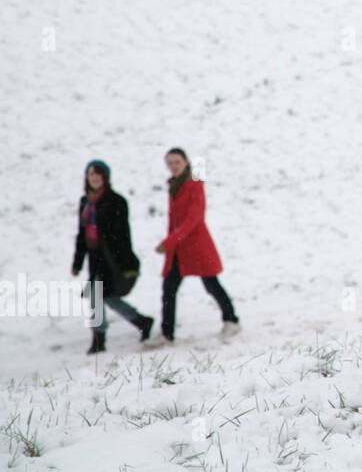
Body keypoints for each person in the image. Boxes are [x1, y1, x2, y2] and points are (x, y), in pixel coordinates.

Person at [142, 148, 240, 347]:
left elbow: (194, 218)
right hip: (179, 249)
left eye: (177, 162)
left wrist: (169, 241)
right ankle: (167, 334)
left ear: (186, 162)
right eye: (170, 163)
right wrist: (171, 244)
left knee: (211, 284)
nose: (174, 166)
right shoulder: (173, 186)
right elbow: (174, 220)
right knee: (169, 288)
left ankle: (232, 321)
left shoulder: (194, 185)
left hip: (197, 246)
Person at [72, 160, 150, 354]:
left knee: (100, 296)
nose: (95, 178)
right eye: (91, 174)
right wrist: (77, 262)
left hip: (112, 257)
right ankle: (139, 321)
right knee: (101, 296)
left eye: (98, 174)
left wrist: (127, 263)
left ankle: (101, 338)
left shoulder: (117, 201)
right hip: (94, 257)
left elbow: (124, 235)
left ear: (105, 178)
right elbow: (82, 234)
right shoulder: (85, 202)